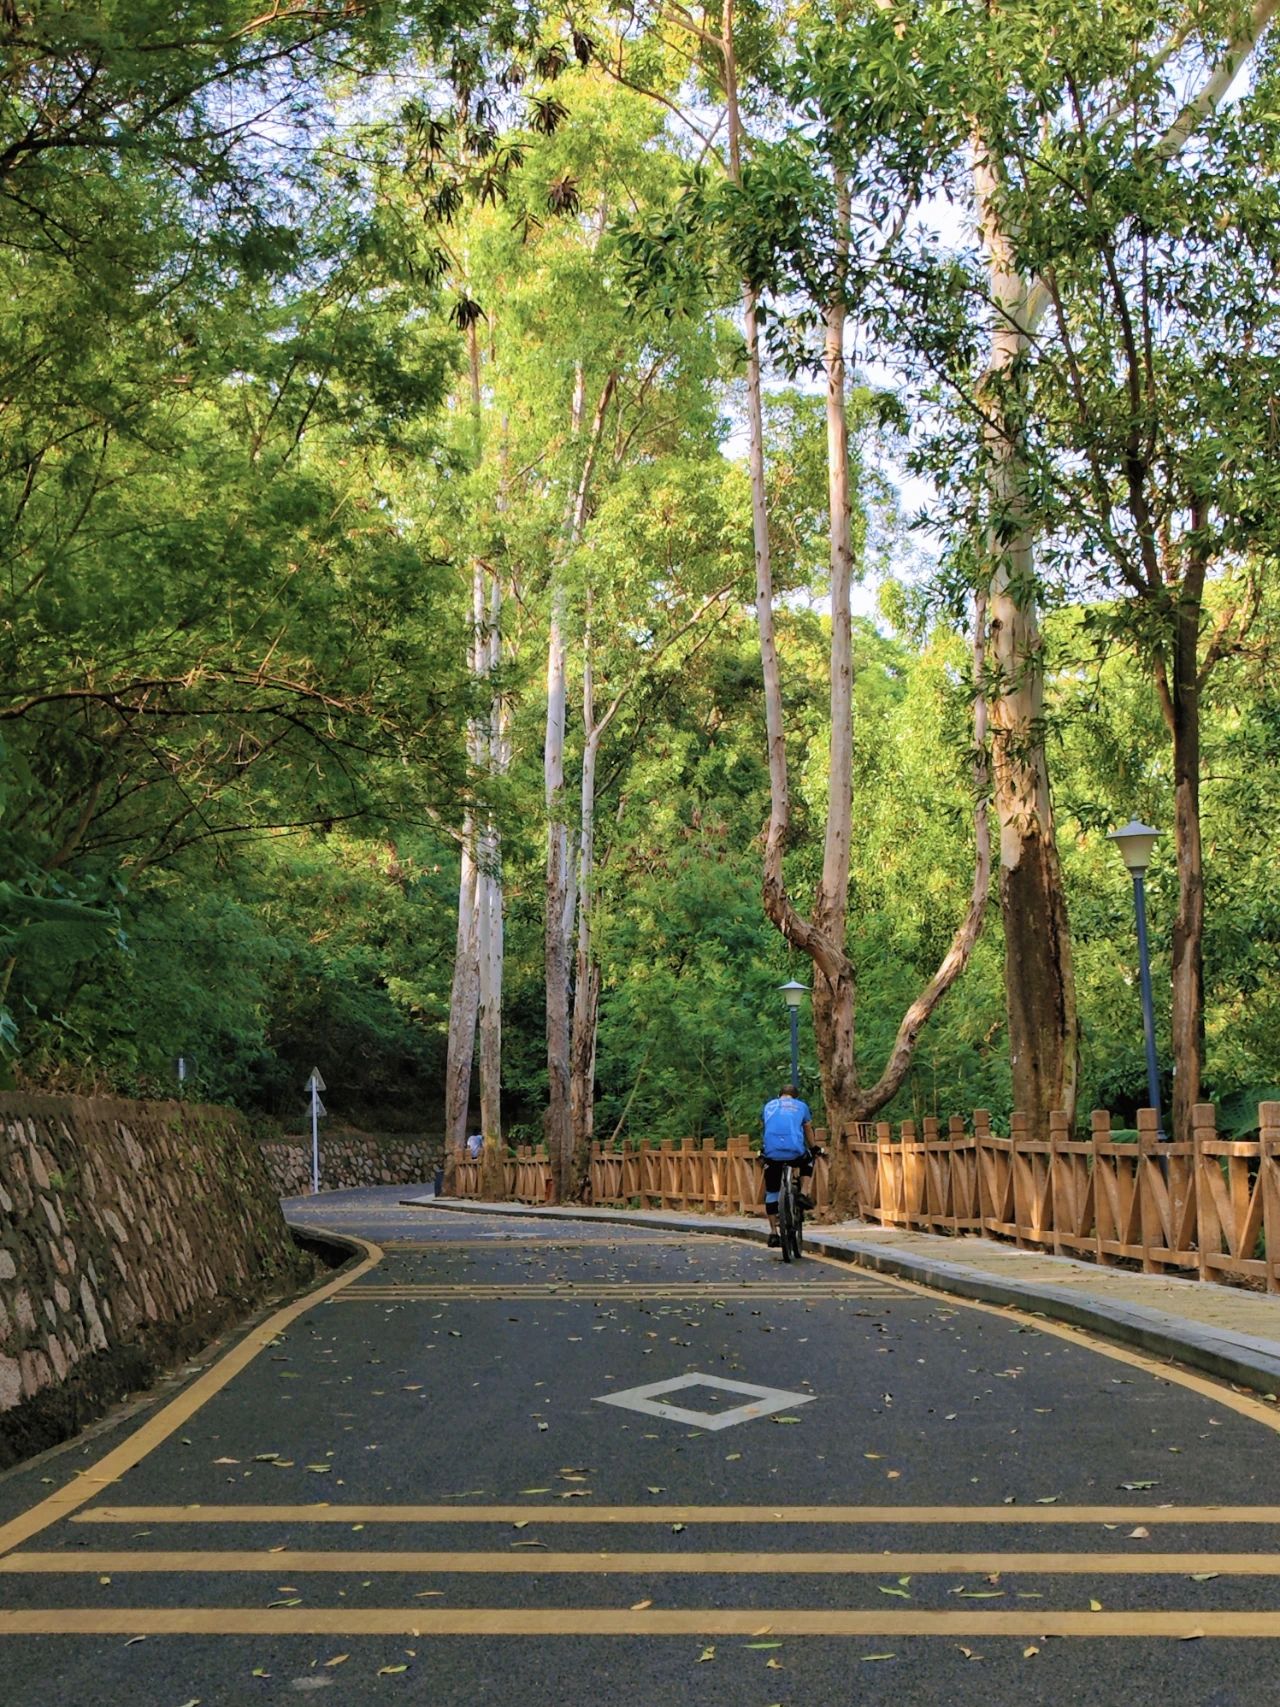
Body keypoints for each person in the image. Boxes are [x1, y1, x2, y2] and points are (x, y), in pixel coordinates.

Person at [760, 1084, 819, 1248]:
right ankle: (803, 1193)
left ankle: (773, 1232)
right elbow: (807, 1129)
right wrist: (814, 1147)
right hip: (795, 1152)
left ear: (780, 1095)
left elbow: (766, 1127)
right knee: (808, 1159)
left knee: (771, 1191)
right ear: (795, 1096)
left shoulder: (769, 1106)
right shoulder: (801, 1106)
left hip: (772, 1153)